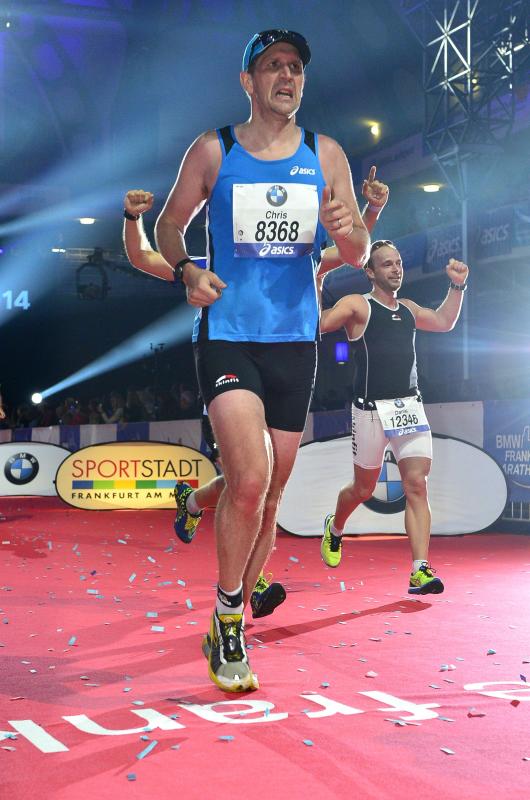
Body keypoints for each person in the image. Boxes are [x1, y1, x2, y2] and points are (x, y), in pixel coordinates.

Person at [154, 29, 371, 692]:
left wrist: (349, 230)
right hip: (229, 333)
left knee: (271, 493)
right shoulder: (213, 149)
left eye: (295, 67)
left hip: (295, 341)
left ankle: (231, 615)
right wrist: (187, 269)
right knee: (250, 478)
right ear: (247, 80)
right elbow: (169, 225)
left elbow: (357, 250)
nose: (287, 76)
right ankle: (228, 623)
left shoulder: (324, 153)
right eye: (273, 65)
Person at [122, 168, 387, 620]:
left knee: (263, 484)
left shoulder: (307, 259)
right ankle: (247, 587)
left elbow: (352, 246)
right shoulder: (219, 263)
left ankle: (194, 505)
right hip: (229, 361)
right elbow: (144, 257)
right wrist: (132, 218)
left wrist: (371, 209)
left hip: (291, 363)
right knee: (250, 478)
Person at [319, 240, 469, 594]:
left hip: (409, 407)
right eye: (387, 264)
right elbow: (320, 323)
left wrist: (457, 286)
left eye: (398, 262)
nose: (396, 268)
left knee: (416, 484)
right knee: (363, 488)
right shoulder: (358, 305)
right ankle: (335, 527)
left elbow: (444, 321)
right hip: (370, 412)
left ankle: (419, 569)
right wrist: (318, 280)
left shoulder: (409, 309)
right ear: (370, 272)